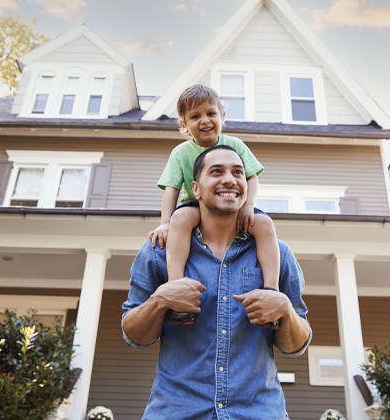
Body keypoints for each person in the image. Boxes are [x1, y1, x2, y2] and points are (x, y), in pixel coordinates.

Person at [122, 145, 312, 420]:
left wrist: (284, 309)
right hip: (176, 412)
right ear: (196, 189)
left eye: (238, 172)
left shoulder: (277, 253)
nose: (230, 179)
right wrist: (160, 300)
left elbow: (296, 345)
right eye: (216, 172)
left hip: (259, 413)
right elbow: (134, 337)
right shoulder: (159, 251)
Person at [148, 84, 280, 325]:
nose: (205, 120)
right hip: (195, 205)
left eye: (211, 113)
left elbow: (251, 176)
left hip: (233, 204)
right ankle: (176, 288)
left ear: (222, 117)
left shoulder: (236, 145)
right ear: (183, 125)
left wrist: (249, 205)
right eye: (195, 116)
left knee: (263, 223)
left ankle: (271, 291)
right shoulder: (180, 153)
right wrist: (165, 223)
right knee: (181, 219)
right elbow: (172, 189)